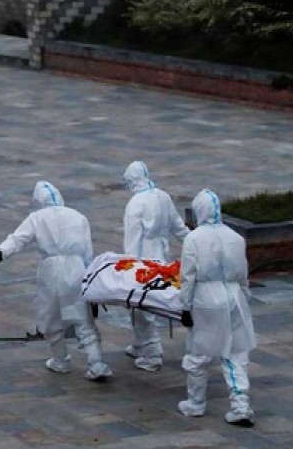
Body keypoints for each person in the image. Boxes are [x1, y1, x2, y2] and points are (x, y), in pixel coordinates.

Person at [0, 180, 112, 381]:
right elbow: (88, 252)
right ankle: (96, 363)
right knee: (83, 319)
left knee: (52, 317)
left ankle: (60, 361)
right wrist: (91, 285)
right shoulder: (78, 216)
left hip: (51, 271)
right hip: (77, 268)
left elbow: (17, 240)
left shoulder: (37, 218)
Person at [177, 188, 257, 427]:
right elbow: (243, 274)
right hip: (234, 296)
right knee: (236, 351)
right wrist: (244, 296)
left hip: (206, 298)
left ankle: (196, 403)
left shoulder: (193, 238)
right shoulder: (235, 237)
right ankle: (240, 404)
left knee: (200, 350)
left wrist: (185, 306)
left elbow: (188, 277)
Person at [121, 160, 191, 372]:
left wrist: (129, 268)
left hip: (144, 259)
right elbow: (179, 227)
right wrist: (197, 242)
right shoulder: (163, 196)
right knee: (140, 305)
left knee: (142, 304)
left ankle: (152, 352)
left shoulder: (135, 203)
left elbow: (131, 241)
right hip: (162, 255)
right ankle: (139, 343)